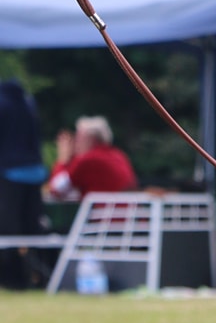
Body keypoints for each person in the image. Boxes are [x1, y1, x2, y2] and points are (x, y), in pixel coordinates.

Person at [0, 79, 47, 288]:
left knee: (9, 230)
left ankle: (12, 278)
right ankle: (38, 276)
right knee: (32, 228)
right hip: (35, 172)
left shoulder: (3, 104)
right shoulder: (28, 103)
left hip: (9, 173)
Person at [48, 115, 137, 200]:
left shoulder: (88, 159)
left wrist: (63, 160)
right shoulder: (119, 155)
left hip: (103, 213)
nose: (75, 143)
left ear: (91, 139)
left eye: (79, 138)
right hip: (126, 212)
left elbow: (56, 189)